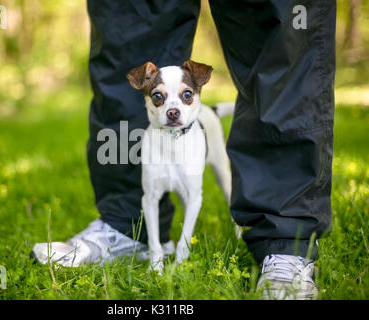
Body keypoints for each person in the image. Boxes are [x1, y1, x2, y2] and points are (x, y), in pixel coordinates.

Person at [31, 0, 336, 300]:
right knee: (131, 17)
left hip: (199, 143)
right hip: (154, 150)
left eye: (185, 96)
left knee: (279, 30)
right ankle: (126, 224)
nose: (173, 108)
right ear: (149, 95)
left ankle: (285, 241)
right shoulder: (147, 91)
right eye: (160, 98)